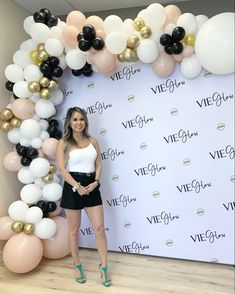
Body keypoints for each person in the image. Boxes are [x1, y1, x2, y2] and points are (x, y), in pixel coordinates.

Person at [56, 107, 111, 287]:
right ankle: (77, 265)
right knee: (74, 229)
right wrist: (77, 186)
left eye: (81, 119)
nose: (79, 122)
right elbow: (62, 170)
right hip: (73, 185)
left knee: (99, 228)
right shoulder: (64, 142)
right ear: (69, 123)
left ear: (85, 121)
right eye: (74, 120)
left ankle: (104, 268)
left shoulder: (92, 140)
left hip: (92, 185)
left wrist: (96, 181)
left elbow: (98, 162)